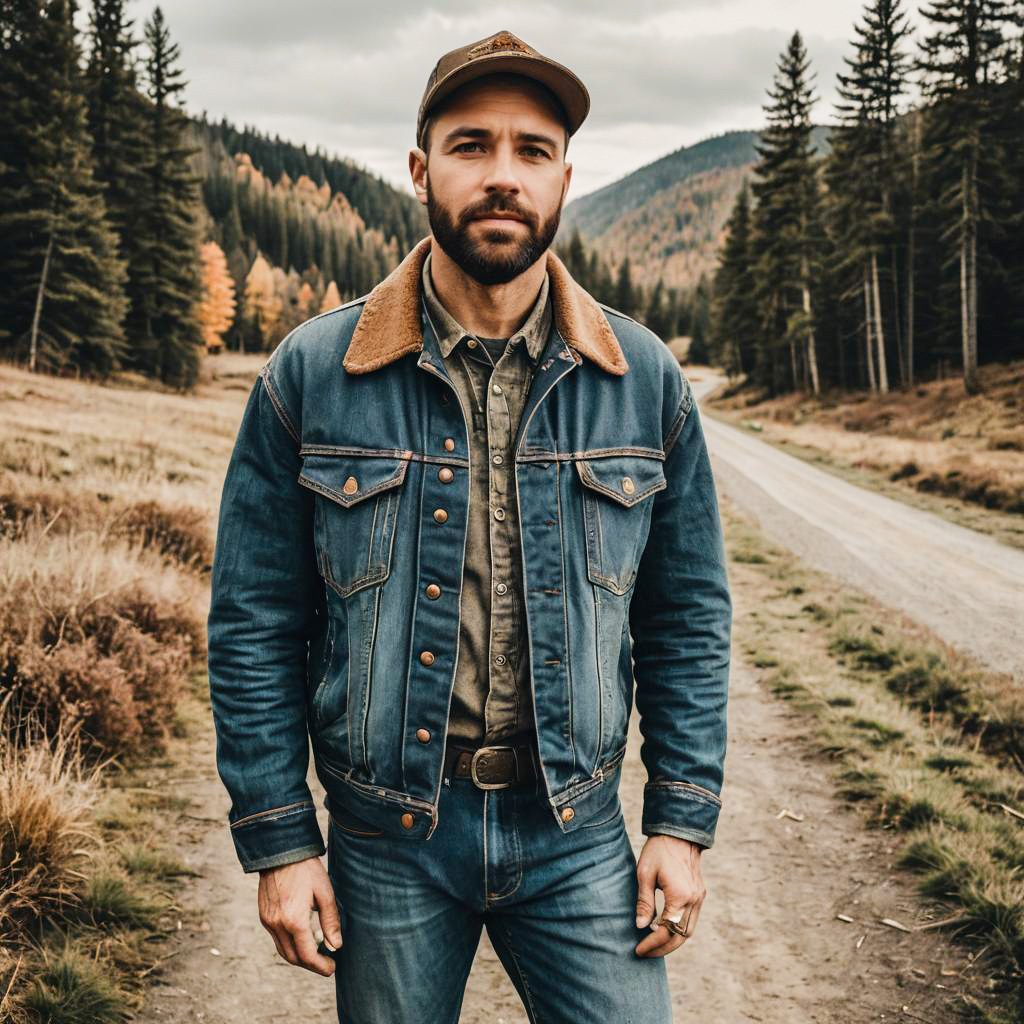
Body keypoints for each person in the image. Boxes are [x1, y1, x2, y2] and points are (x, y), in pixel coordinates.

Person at [207, 28, 732, 1024]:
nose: (503, 176)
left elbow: (687, 617)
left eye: (531, 151)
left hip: (575, 830)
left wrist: (680, 820)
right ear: (419, 169)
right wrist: (281, 841)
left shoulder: (645, 381)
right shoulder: (311, 376)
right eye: (470, 146)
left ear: (565, 178)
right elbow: (252, 622)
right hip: (385, 839)